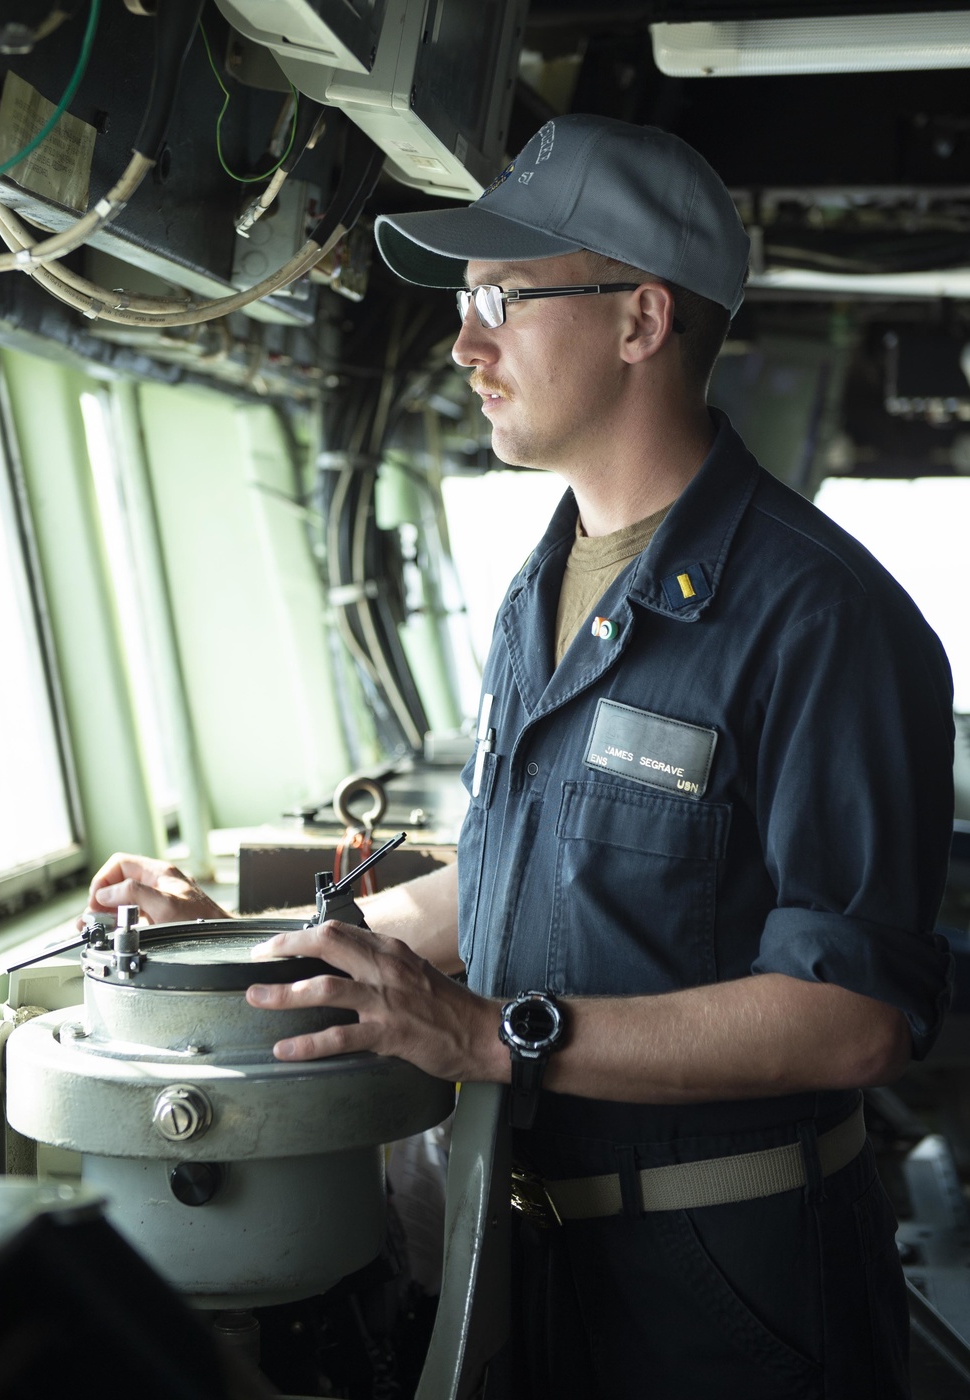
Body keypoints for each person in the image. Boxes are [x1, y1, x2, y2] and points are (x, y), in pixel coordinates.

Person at [86, 116, 955, 1398]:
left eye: (500, 295)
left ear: (639, 321)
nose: (463, 339)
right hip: (525, 1257)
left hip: (729, 1286)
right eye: (464, 297)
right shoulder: (531, 598)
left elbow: (852, 1019)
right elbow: (499, 878)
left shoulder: (823, 622)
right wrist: (259, 953)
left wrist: (496, 1034)